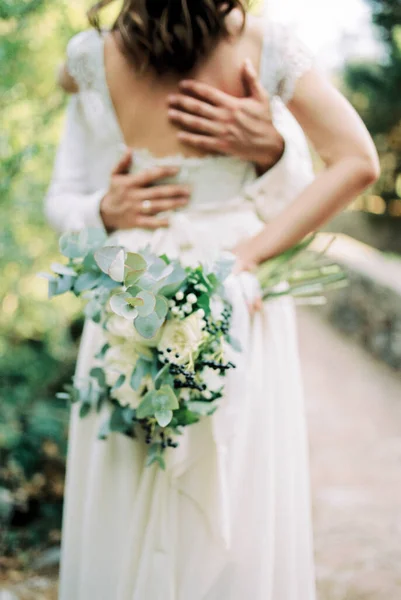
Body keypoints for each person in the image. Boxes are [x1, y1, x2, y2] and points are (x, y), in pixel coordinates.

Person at [44, 1, 380, 599]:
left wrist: (272, 152)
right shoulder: (100, 55)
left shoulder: (100, 54)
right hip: (180, 289)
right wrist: (104, 208)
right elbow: (355, 160)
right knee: (228, 487)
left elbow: (344, 168)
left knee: (169, 480)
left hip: (172, 287)